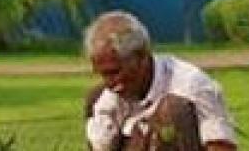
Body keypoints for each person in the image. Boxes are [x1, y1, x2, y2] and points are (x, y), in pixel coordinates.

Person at [83, 10, 237, 151]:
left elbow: (221, 146)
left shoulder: (191, 85)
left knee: (172, 110)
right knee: (95, 96)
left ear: (142, 56)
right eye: (103, 74)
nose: (110, 83)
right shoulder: (107, 97)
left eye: (115, 72)